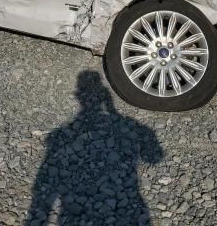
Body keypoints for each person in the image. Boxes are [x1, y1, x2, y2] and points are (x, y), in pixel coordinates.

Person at [26, 71, 164, 225]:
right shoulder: (130, 126)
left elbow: (43, 187)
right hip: (128, 198)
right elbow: (155, 157)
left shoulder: (59, 134)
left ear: (79, 96)